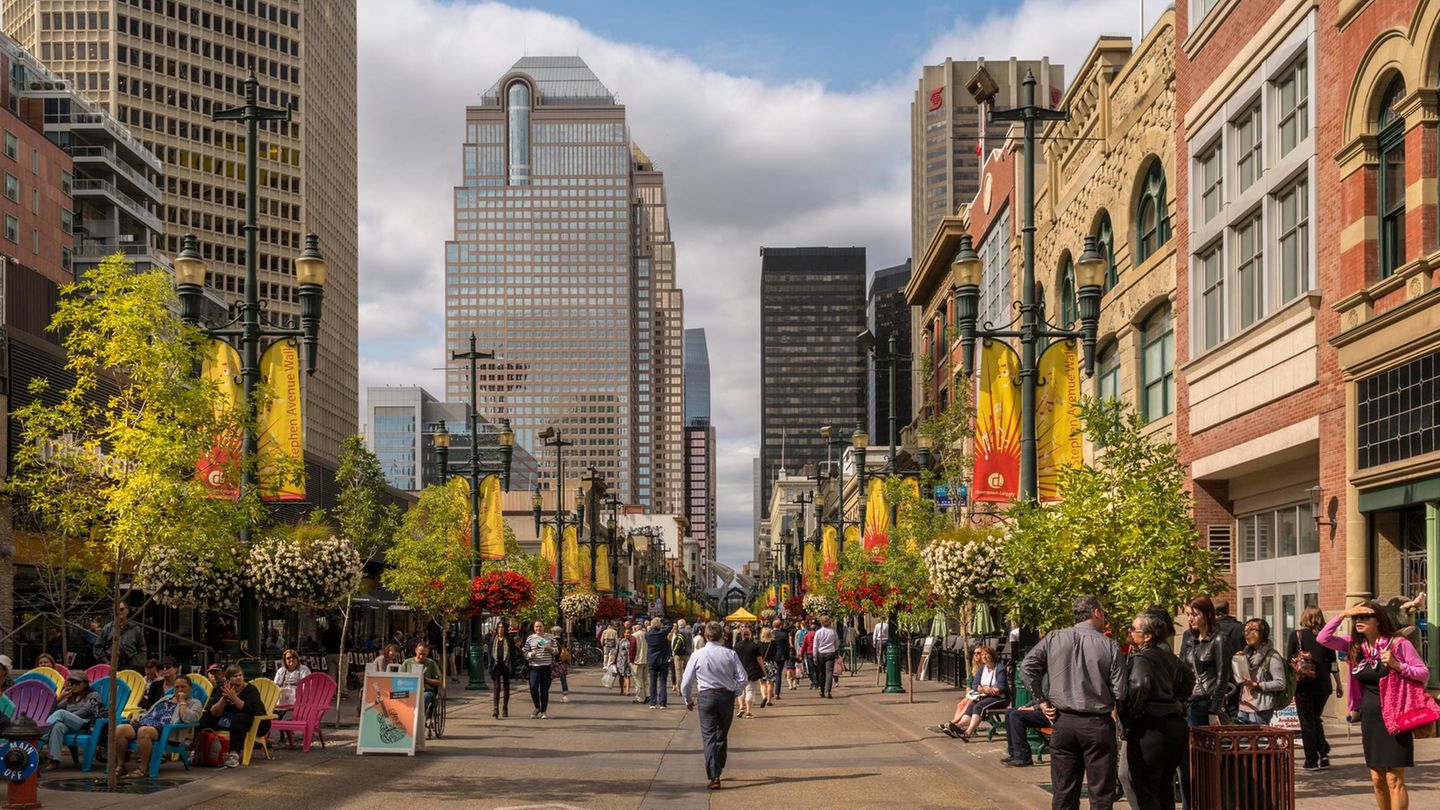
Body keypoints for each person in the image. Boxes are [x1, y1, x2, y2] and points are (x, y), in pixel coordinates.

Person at [1318, 600, 1430, 810]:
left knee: (1393, 778)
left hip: (1396, 716)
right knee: (1377, 779)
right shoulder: (1356, 646)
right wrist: (1343, 614)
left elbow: (1423, 673)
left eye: (1364, 617)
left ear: (1378, 620)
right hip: (1371, 717)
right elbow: (1322, 638)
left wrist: (1398, 665)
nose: (1358, 621)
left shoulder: (1398, 644)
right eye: (1356, 617)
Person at [1020, 595, 1126, 810]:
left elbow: (1027, 667)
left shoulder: (1054, 638)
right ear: (1096, 612)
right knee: (1101, 795)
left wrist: (1040, 699)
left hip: (1063, 722)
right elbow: (1120, 691)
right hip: (1097, 723)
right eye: (1104, 613)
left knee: (1063, 791)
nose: (1105, 618)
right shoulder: (1110, 646)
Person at [1120, 610, 1193, 810]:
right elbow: (1189, 679)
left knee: (1147, 791)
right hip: (1175, 727)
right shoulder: (1170, 657)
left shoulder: (1142, 659)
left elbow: (1139, 685)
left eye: (1134, 628)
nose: (1129, 630)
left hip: (1150, 729)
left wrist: (1131, 716)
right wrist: (1176, 700)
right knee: (1164, 788)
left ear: (1147, 636)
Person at [681, 621, 749, 790]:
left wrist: (688, 700)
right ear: (722, 636)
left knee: (709, 736)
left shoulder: (698, 654)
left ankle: (714, 774)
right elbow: (743, 677)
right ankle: (717, 767)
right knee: (721, 733)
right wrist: (735, 692)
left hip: (706, 696)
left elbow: (686, 682)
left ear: (706, 636)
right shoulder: (730, 654)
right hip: (725, 696)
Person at [111, 674, 203, 779]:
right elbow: (151, 711)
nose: (180, 689)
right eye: (177, 687)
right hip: (147, 722)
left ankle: (143, 769)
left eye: (183, 687)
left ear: (190, 688)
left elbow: (190, 718)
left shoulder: (194, 703)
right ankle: (121, 765)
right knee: (120, 729)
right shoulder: (167, 698)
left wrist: (182, 702)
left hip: (165, 729)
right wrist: (140, 716)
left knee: (144, 731)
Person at [1288, 606, 1343, 770]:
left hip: (1304, 685)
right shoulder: (1326, 637)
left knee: (1307, 722)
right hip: (1324, 685)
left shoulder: (1296, 635)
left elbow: (1289, 661)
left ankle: (1311, 760)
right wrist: (1339, 684)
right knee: (1316, 718)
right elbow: (1333, 664)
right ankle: (1324, 753)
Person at [197, 664, 268, 768]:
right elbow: (214, 712)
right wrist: (224, 699)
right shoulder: (224, 689)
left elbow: (252, 710)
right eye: (235, 676)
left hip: (256, 723)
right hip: (228, 721)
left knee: (239, 718)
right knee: (205, 718)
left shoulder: (251, 690)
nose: (239, 678)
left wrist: (234, 698)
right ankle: (197, 751)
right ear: (228, 679)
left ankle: (233, 754)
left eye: (240, 675)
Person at [941, 645, 1009, 740]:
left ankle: (968, 733)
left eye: (987, 654)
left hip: (1000, 698)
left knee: (979, 706)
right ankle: (958, 726)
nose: (984, 657)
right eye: (983, 655)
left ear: (992, 656)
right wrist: (983, 689)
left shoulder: (999, 668)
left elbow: (1001, 688)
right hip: (985, 695)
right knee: (972, 704)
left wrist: (987, 689)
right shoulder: (982, 669)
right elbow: (975, 684)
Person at [1179, 597, 1227, 728]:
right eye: (1188, 614)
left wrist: (1214, 710)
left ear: (1208, 614)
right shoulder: (1188, 636)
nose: (1190, 619)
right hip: (1187, 701)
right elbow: (1181, 669)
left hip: (1205, 702)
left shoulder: (1218, 638)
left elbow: (1222, 677)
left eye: (1195, 615)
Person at [43, 673, 104, 772]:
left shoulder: (93, 695)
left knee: (61, 713)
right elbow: (51, 710)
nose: (73, 686)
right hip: (69, 725)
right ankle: (54, 761)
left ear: (85, 684)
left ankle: (41, 737)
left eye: (77, 683)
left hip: (84, 725)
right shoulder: (70, 697)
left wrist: (66, 716)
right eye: (71, 683)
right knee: (57, 726)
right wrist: (61, 697)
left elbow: (85, 712)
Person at [1233, 617, 1286, 725]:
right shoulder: (1247, 653)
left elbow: (1281, 683)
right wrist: (1239, 662)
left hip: (1260, 709)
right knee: (1242, 741)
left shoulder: (1272, 656)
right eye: (1245, 630)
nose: (1246, 634)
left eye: (1251, 630)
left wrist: (1257, 684)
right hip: (1244, 706)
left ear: (1262, 633)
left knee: (1260, 741)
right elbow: (1240, 678)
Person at [1213, 599, 1246, 716]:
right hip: (1236, 670)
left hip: (1215, 672)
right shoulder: (1240, 628)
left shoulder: (1211, 629)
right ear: (1228, 610)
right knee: (1234, 707)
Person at [95, 602, 146, 671]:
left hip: (130, 666)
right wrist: (106, 662)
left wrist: (138, 663)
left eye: (121, 609)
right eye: (116, 610)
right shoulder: (107, 628)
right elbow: (98, 647)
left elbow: (142, 648)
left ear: (127, 611)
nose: (119, 612)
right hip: (112, 665)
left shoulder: (135, 629)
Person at [1001, 700, 1053, 768]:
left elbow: (1048, 699)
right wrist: (1025, 706)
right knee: (1009, 712)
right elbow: (1036, 699)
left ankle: (1023, 757)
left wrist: (1032, 708)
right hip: (1041, 709)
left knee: (1015, 715)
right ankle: (1014, 754)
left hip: (1050, 714)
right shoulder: (1037, 689)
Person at [523, 620, 556, 719]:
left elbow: (556, 651)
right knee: (533, 688)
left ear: (544, 627)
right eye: (536, 627)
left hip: (546, 667)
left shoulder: (550, 637)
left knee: (544, 690)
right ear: (534, 628)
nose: (538, 628)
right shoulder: (530, 638)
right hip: (534, 667)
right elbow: (525, 652)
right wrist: (530, 654)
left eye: (540, 626)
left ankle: (544, 711)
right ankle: (537, 707)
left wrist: (549, 649)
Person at [488, 622, 519, 718]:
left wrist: (513, 667)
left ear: (505, 629)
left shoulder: (509, 640)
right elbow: (490, 654)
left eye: (502, 627)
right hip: (496, 665)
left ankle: (505, 707)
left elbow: (513, 655)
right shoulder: (493, 639)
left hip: (506, 665)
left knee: (506, 686)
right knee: (496, 686)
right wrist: (490, 666)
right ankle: (495, 708)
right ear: (497, 629)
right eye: (499, 627)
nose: (500, 629)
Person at [403, 642, 442, 716]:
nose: (421, 656)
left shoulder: (431, 663)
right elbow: (399, 678)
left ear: (428, 653)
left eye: (424, 654)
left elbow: (439, 682)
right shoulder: (407, 663)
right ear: (416, 651)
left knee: (425, 697)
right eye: (419, 654)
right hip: (409, 690)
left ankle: (420, 717)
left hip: (425, 690)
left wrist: (426, 680)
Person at [732, 628, 762, 718]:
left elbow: (733, 659)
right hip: (752, 671)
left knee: (741, 691)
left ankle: (741, 707)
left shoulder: (737, 646)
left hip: (739, 671)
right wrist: (763, 670)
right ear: (750, 635)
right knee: (750, 691)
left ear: (741, 635)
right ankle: (748, 711)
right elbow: (759, 659)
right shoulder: (754, 646)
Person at [645, 617, 672, 709]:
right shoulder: (662, 633)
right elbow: (670, 625)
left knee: (652, 682)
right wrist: (663, 619)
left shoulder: (648, 635)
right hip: (662, 659)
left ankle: (652, 702)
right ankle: (662, 703)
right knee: (663, 682)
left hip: (652, 660)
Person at [811, 616, 839, 698]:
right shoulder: (833, 632)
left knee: (822, 673)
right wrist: (836, 651)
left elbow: (815, 645)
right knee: (829, 672)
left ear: (821, 623)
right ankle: (828, 691)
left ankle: (822, 691)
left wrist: (814, 656)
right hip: (830, 652)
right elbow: (836, 643)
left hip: (821, 653)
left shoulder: (818, 632)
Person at [769, 620, 789, 701]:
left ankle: (770, 691)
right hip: (781, 656)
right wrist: (787, 658)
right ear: (780, 626)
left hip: (771, 656)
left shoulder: (770, 634)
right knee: (778, 674)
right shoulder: (783, 635)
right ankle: (777, 693)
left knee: (771, 674)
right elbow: (787, 647)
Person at [550, 625, 571, 702]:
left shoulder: (552, 641)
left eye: (552, 631)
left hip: (554, 661)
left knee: (549, 678)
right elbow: (567, 649)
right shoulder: (563, 641)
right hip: (562, 661)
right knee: (563, 679)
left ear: (554, 632)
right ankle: (565, 695)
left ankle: (544, 693)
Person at [671, 620, 692, 694]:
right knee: (687, 671)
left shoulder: (676, 632)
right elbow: (690, 643)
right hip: (687, 653)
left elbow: (673, 643)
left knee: (678, 671)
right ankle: (686, 689)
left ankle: (679, 689)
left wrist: (673, 653)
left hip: (678, 654)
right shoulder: (689, 632)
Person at [631, 625, 649, 705]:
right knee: (645, 679)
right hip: (646, 659)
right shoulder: (647, 635)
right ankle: (647, 695)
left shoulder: (634, 636)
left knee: (638, 679)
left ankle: (640, 698)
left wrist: (631, 659)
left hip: (637, 660)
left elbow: (632, 649)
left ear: (635, 629)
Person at [802, 621, 820, 688]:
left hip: (809, 653)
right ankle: (818, 681)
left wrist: (801, 655)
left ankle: (814, 682)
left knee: (811, 669)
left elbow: (803, 646)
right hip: (817, 653)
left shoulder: (807, 635)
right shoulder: (817, 634)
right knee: (817, 668)